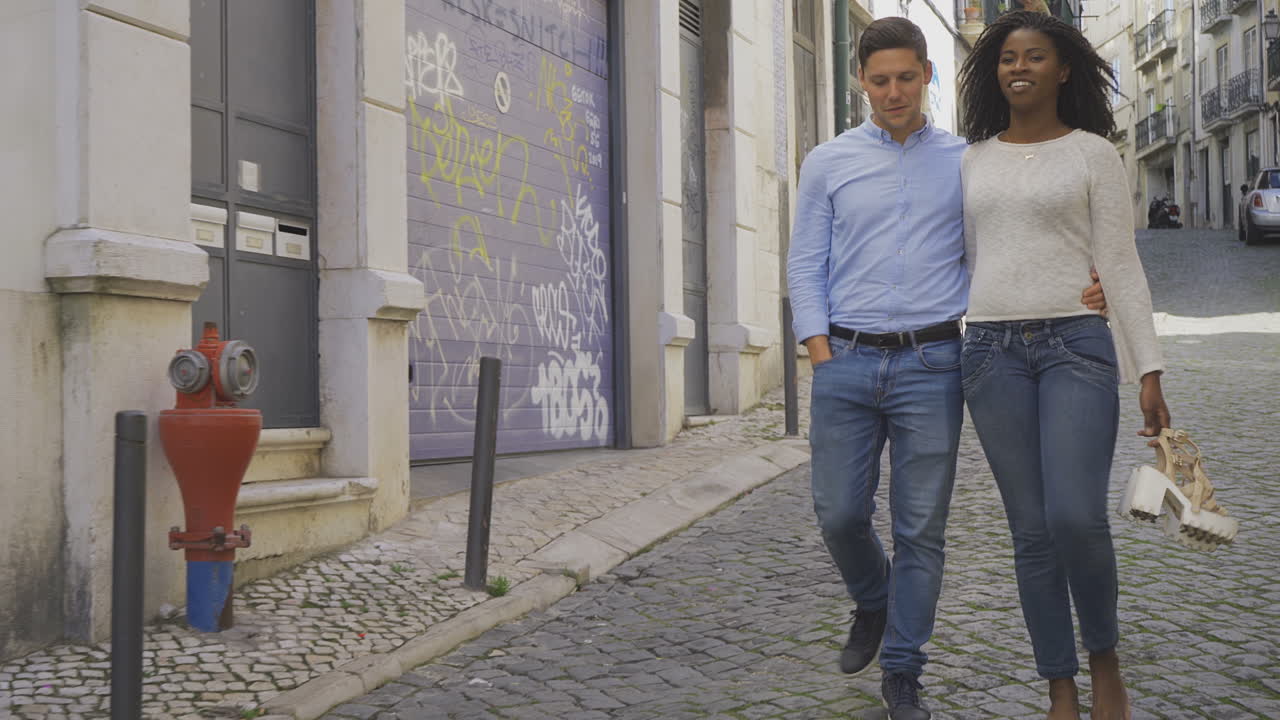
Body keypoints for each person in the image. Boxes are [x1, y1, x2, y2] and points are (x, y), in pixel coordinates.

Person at [786, 16, 1107, 720]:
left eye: (906, 77)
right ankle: (874, 600)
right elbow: (806, 261)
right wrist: (817, 349)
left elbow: (1009, 239)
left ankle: (904, 669)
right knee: (838, 512)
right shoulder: (828, 162)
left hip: (934, 362)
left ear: (927, 74)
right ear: (861, 83)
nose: (894, 91)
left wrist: (1086, 279)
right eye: (879, 81)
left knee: (921, 528)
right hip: (844, 358)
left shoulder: (966, 159)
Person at [956, 11, 1170, 720]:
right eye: (1008, 57)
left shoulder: (1092, 155)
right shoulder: (973, 159)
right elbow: (962, 259)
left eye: (1036, 56)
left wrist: (1148, 371)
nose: (1020, 66)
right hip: (989, 353)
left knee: (1077, 517)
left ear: (1064, 69)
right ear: (996, 72)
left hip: (1075, 346)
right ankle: (1060, 687)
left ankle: (1104, 658)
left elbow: (1121, 264)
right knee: (1032, 531)